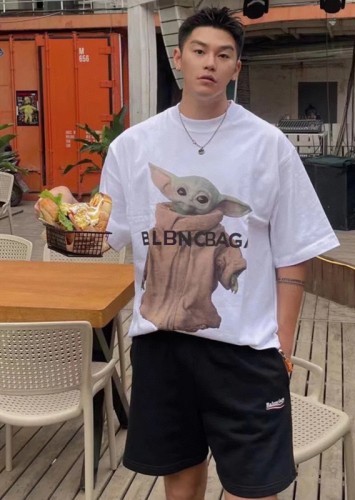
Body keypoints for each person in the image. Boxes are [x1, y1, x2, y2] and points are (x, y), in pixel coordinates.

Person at [39, 7, 339, 499]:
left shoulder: (269, 146)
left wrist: (283, 346)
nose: (210, 63)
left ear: (236, 67)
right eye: (199, 51)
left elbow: (295, 252)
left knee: (255, 488)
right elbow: (103, 234)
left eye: (223, 54)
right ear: (178, 58)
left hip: (246, 351)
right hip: (162, 347)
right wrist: (63, 209)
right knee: (180, 481)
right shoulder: (133, 147)